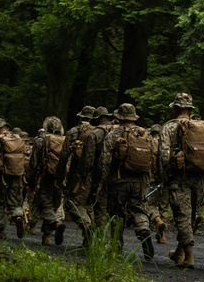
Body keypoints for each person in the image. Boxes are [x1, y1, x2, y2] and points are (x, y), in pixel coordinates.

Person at [160, 93, 204, 269]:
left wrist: (166, 173)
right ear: (190, 109)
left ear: (175, 108)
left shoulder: (168, 128)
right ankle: (180, 252)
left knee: (182, 217)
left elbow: (163, 156)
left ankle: (189, 256)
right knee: (193, 216)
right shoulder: (202, 127)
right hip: (199, 177)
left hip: (178, 178)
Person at [99, 103, 156, 258]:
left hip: (119, 179)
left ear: (118, 117)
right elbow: (153, 156)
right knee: (139, 208)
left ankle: (116, 248)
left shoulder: (113, 134)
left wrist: (103, 180)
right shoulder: (145, 134)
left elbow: (105, 159)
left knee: (116, 213)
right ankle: (143, 229)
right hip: (140, 180)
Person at [0, 118, 29, 239]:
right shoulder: (20, 140)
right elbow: (27, 158)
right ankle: (18, 217)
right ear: (7, 128)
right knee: (15, 203)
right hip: (17, 176)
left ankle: (1, 231)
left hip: (0, 177)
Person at [56, 105, 95, 242]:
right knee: (90, 205)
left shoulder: (73, 132)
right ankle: (88, 240)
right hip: (95, 174)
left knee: (71, 203)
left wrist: (60, 177)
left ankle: (86, 224)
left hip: (77, 174)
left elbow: (64, 155)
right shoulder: (98, 132)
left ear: (80, 117)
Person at [27, 116, 66, 246]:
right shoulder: (65, 141)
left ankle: (56, 223)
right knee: (54, 205)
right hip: (59, 179)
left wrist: (31, 182)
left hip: (43, 178)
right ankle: (46, 236)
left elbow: (33, 163)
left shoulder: (41, 141)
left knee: (45, 205)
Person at [147, 123, 168, 244]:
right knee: (164, 205)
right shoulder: (165, 144)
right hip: (165, 180)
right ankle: (162, 235)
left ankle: (156, 219)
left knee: (149, 204)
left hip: (151, 179)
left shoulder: (149, 142)